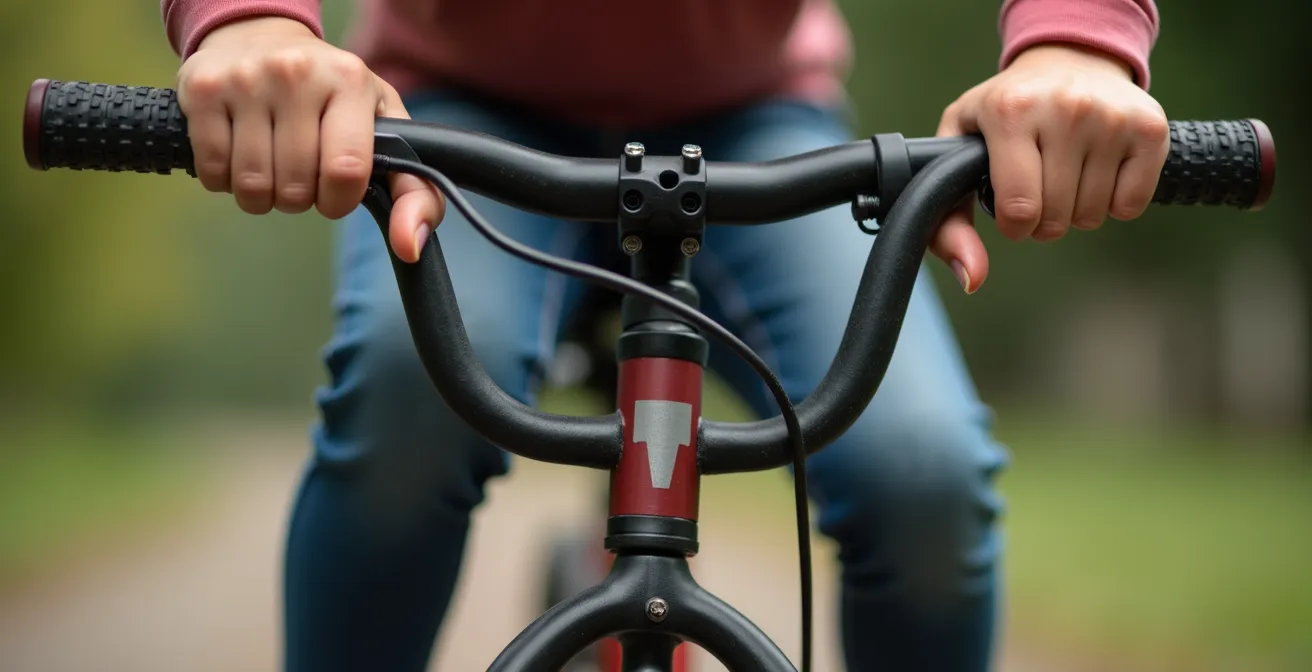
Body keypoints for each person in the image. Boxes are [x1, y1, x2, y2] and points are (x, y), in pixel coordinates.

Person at [160, 1, 1168, 670]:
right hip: (458, 117)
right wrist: (251, 23)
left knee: (923, 472)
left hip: (754, 124)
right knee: (403, 392)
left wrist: (1073, 38)